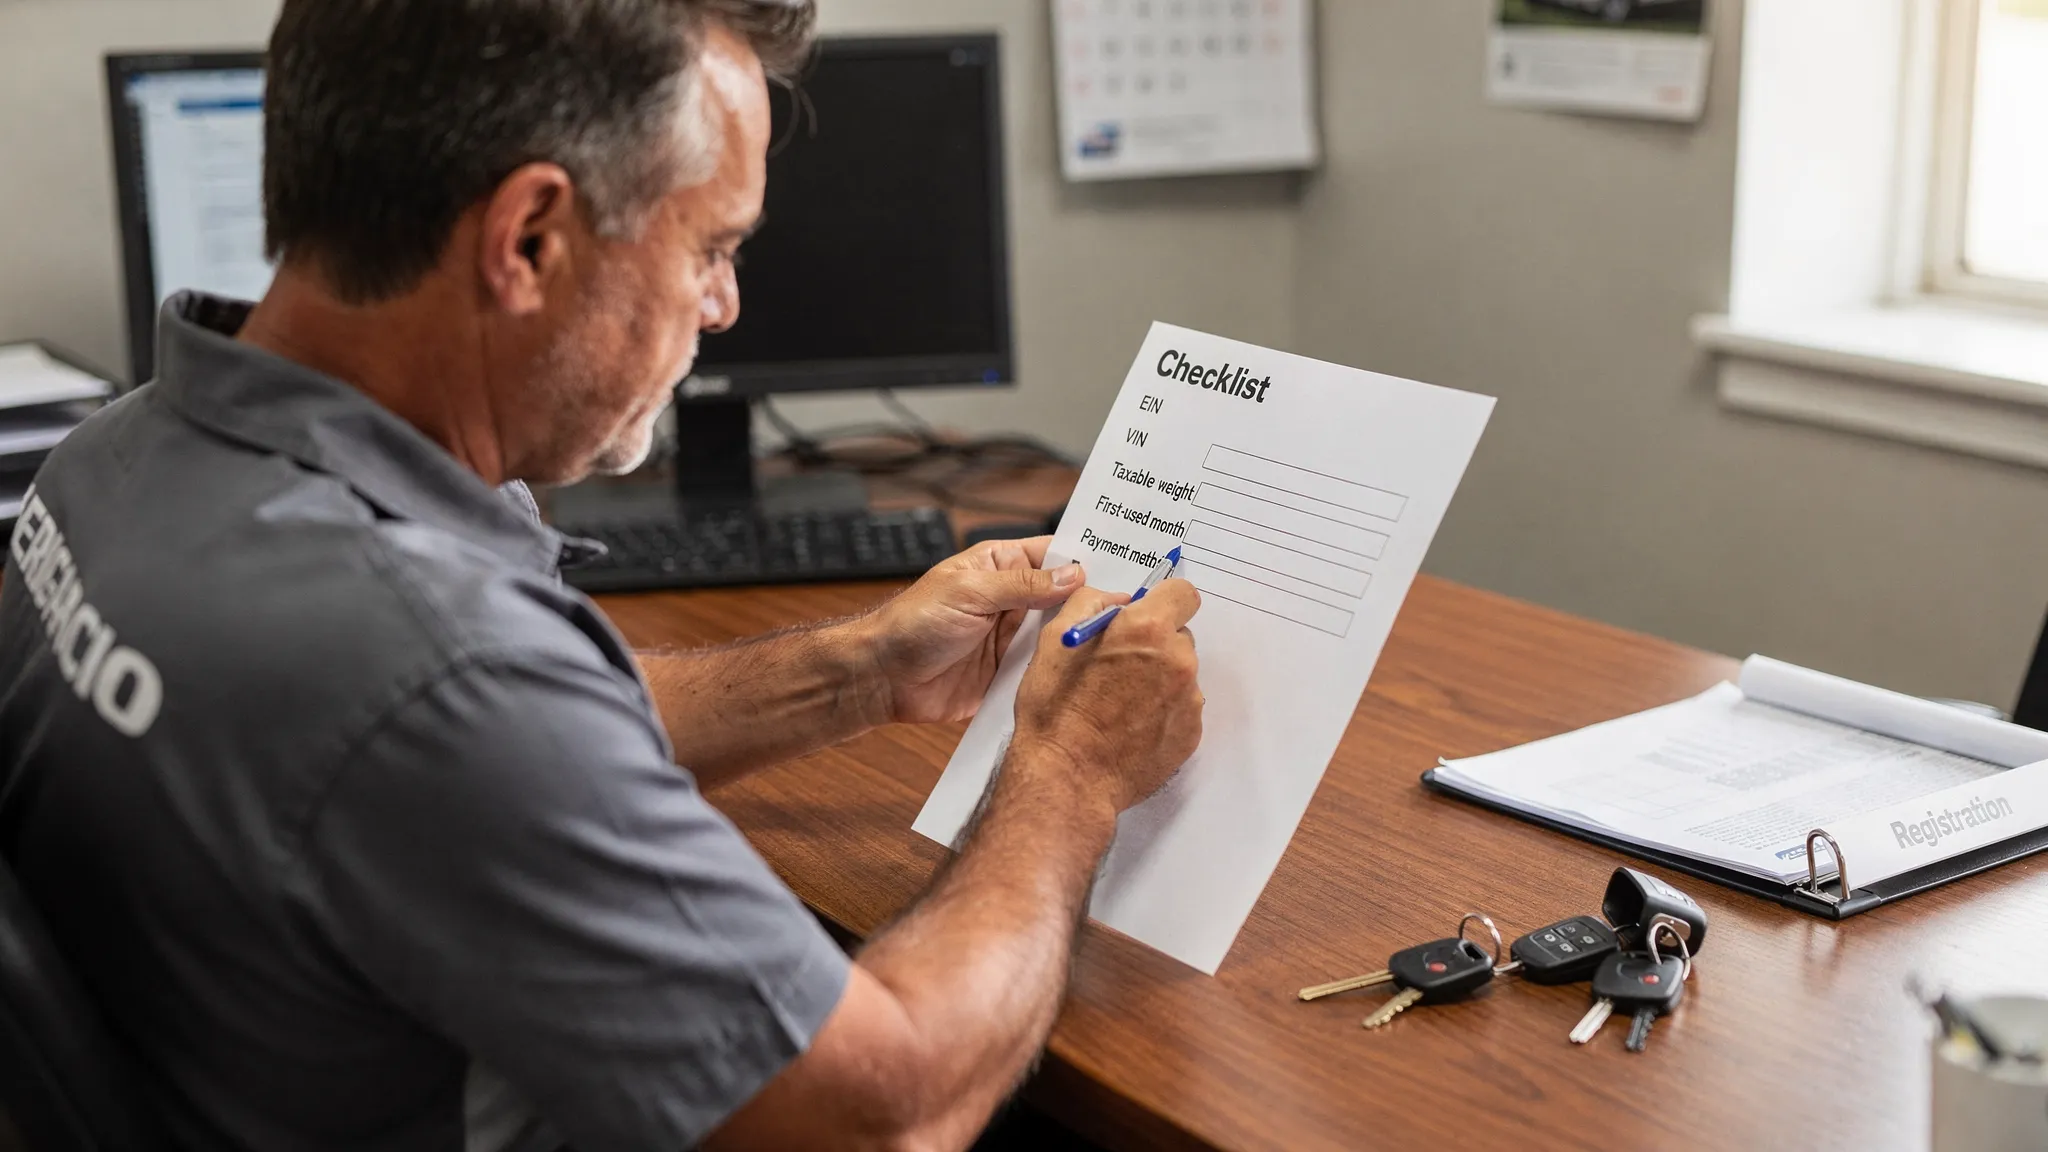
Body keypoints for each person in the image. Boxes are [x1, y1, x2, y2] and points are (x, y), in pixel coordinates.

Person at [0, 1, 1205, 1149]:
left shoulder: (119, 463)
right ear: (528, 238)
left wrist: (863, 668)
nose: (724, 306)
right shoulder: (426, 668)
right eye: (712, 246)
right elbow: (881, 1115)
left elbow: (526, 730)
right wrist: (1069, 772)